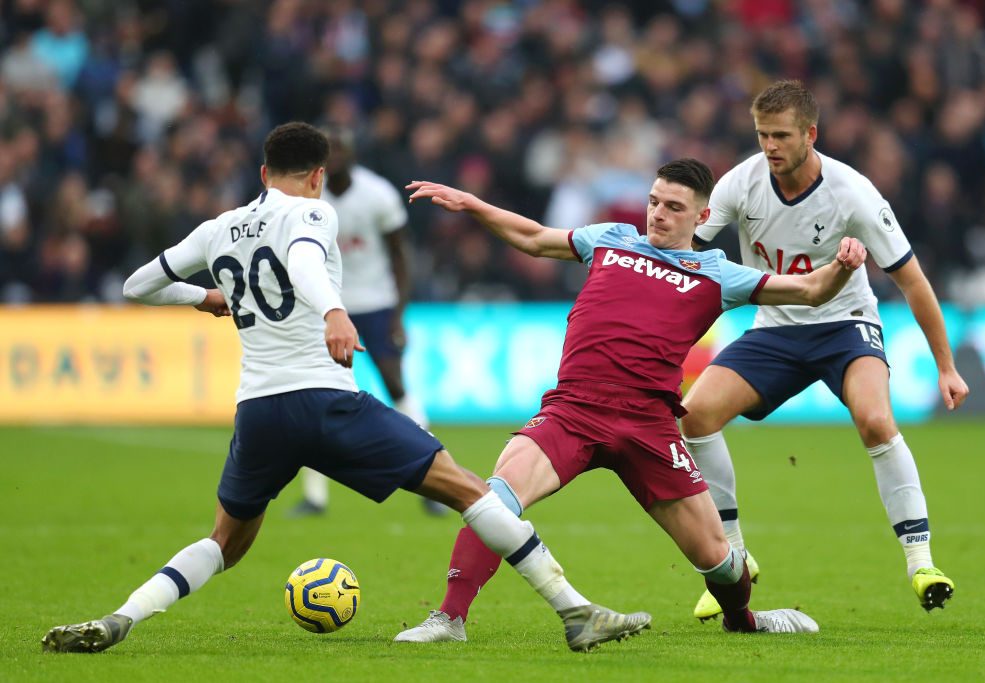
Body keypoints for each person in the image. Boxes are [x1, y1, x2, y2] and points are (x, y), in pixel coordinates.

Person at [40, 122, 651, 655]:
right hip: (323, 399)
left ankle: (121, 616)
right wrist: (335, 311)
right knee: (467, 488)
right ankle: (576, 612)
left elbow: (136, 285)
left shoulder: (219, 228)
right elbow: (305, 261)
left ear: (261, 172)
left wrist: (203, 296)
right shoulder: (313, 210)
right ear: (317, 176)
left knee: (225, 541)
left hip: (257, 411)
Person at [392, 158, 868, 643]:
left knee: (720, 560)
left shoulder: (719, 274)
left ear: (701, 218)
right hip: (574, 409)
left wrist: (842, 267)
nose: (658, 214)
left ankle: (743, 619)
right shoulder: (612, 239)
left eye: (674, 207)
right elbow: (535, 238)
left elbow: (810, 291)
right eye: (654, 201)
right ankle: (449, 619)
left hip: (649, 425)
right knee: (493, 500)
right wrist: (473, 205)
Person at [681, 80, 969, 623]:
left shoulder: (853, 193)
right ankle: (733, 556)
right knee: (694, 416)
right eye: (762, 134)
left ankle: (921, 563)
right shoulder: (740, 183)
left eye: (781, 136)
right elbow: (686, 258)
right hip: (775, 330)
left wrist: (946, 366)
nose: (769, 146)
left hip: (845, 326)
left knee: (876, 422)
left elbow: (913, 282)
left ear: (810, 134)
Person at [289, 126, 445, 518]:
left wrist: (399, 314)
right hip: (326, 305)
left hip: (375, 303)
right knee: (314, 392)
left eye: (341, 149)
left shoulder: (377, 195)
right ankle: (315, 497)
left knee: (395, 384)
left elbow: (399, 255)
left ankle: (437, 478)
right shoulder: (304, 196)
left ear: (353, 154)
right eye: (329, 151)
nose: (335, 156)